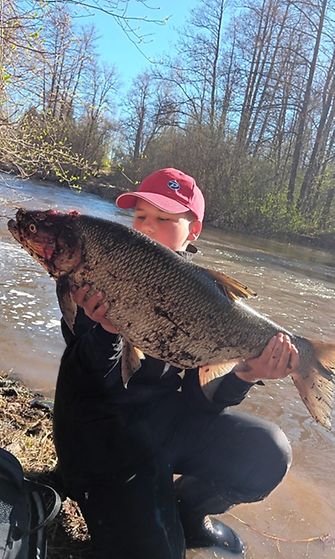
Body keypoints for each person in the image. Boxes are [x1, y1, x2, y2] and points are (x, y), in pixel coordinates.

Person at [53, 168, 299, 559]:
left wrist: (246, 374)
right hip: (98, 438)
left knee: (268, 451)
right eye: (140, 216)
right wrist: (106, 332)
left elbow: (198, 405)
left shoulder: (202, 293)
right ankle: (90, 491)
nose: (148, 227)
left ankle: (186, 510)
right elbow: (86, 383)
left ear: (193, 231)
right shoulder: (94, 274)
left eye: (164, 219)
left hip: (159, 434)